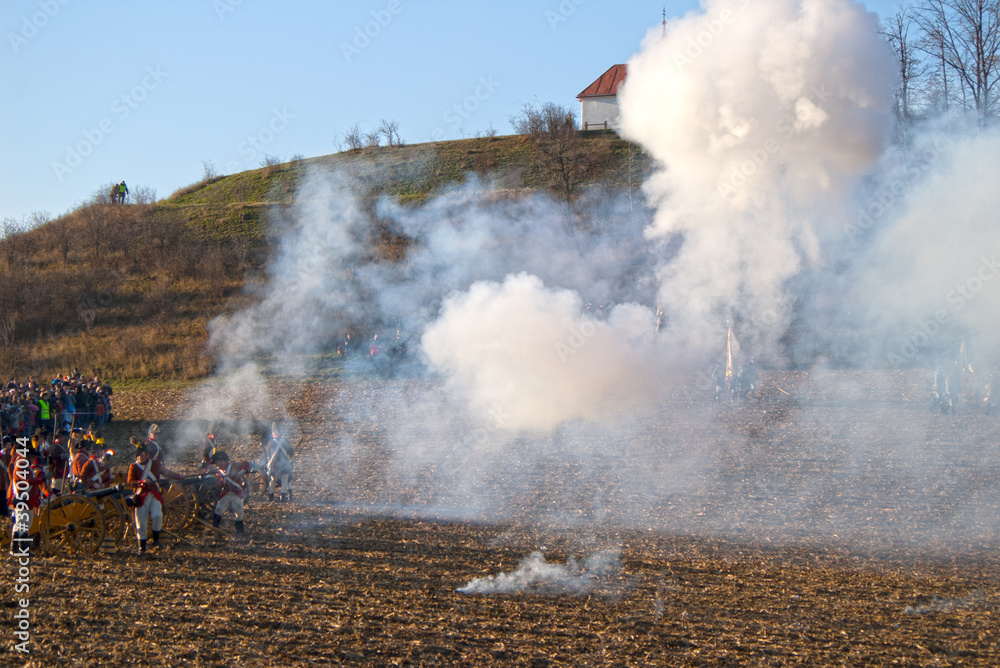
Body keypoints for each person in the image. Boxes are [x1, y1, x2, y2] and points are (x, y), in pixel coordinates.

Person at [126, 447, 181, 554]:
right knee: (141, 522)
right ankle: (142, 547)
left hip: (154, 494)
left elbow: (166, 472)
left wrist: (178, 476)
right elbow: (130, 482)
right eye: (138, 456)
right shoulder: (134, 466)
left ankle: (156, 541)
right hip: (141, 496)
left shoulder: (155, 464)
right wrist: (141, 482)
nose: (140, 458)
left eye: (142, 455)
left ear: (147, 455)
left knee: (157, 515)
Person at [207, 451, 258, 535]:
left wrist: (243, 470)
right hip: (226, 493)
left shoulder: (234, 465)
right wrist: (218, 483)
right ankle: (215, 527)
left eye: (217, 463)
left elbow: (246, 464)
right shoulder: (219, 472)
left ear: (222, 461)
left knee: (239, 512)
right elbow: (219, 485)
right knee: (219, 509)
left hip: (236, 493)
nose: (217, 466)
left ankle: (240, 531)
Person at [264, 423, 293, 503]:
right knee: (284, 481)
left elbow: (267, 455)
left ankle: (271, 499)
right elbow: (291, 453)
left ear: (273, 433)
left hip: (275, 466)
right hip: (284, 465)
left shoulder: (270, 443)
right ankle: (282, 499)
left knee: (272, 481)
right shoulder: (285, 441)